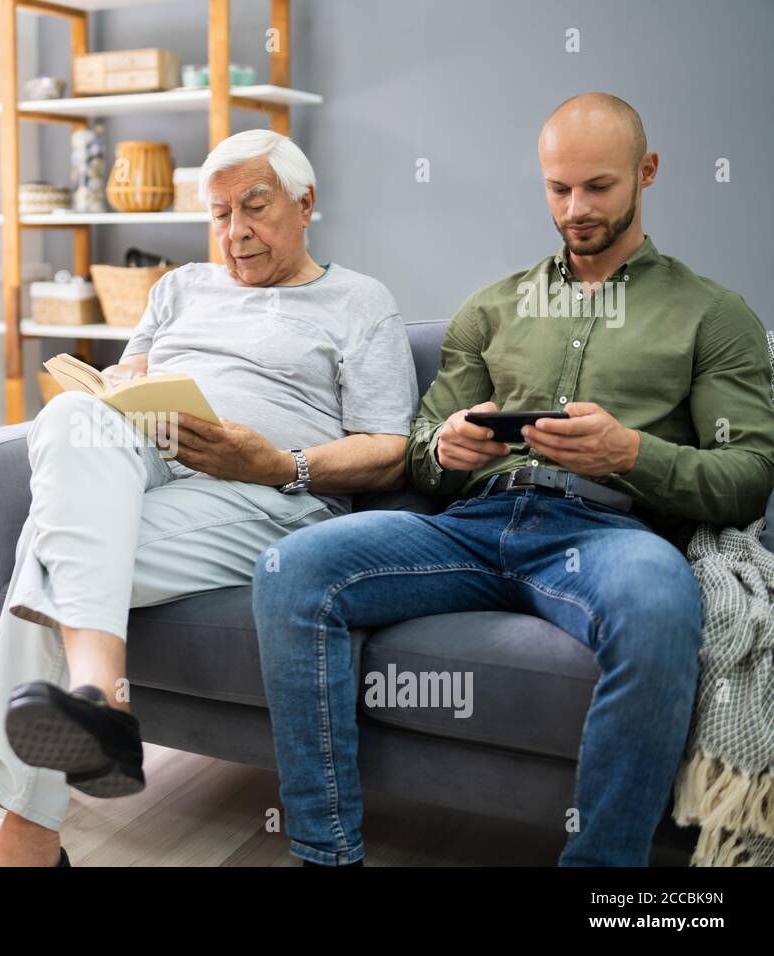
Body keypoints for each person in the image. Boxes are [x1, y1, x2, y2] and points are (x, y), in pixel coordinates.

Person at [252, 93, 774, 867]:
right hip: (470, 527)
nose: (575, 208)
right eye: (558, 188)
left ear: (647, 172)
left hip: (608, 534)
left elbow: (747, 480)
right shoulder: (491, 308)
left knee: (660, 606)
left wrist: (629, 453)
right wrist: (449, 450)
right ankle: (325, 854)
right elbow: (423, 449)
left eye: (598, 187)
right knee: (292, 569)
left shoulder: (714, 316)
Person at [0, 129, 421, 867]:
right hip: (153, 461)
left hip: (266, 496)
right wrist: (115, 389)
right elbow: (127, 378)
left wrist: (278, 462)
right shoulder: (178, 288)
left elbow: (390, 451)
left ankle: (27, 844)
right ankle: (96, 695)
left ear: (307, 205)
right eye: (218, 214)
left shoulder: (360, 302)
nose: (234, 233)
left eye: (255, 208)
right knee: (71, 415)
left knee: (53, 543)